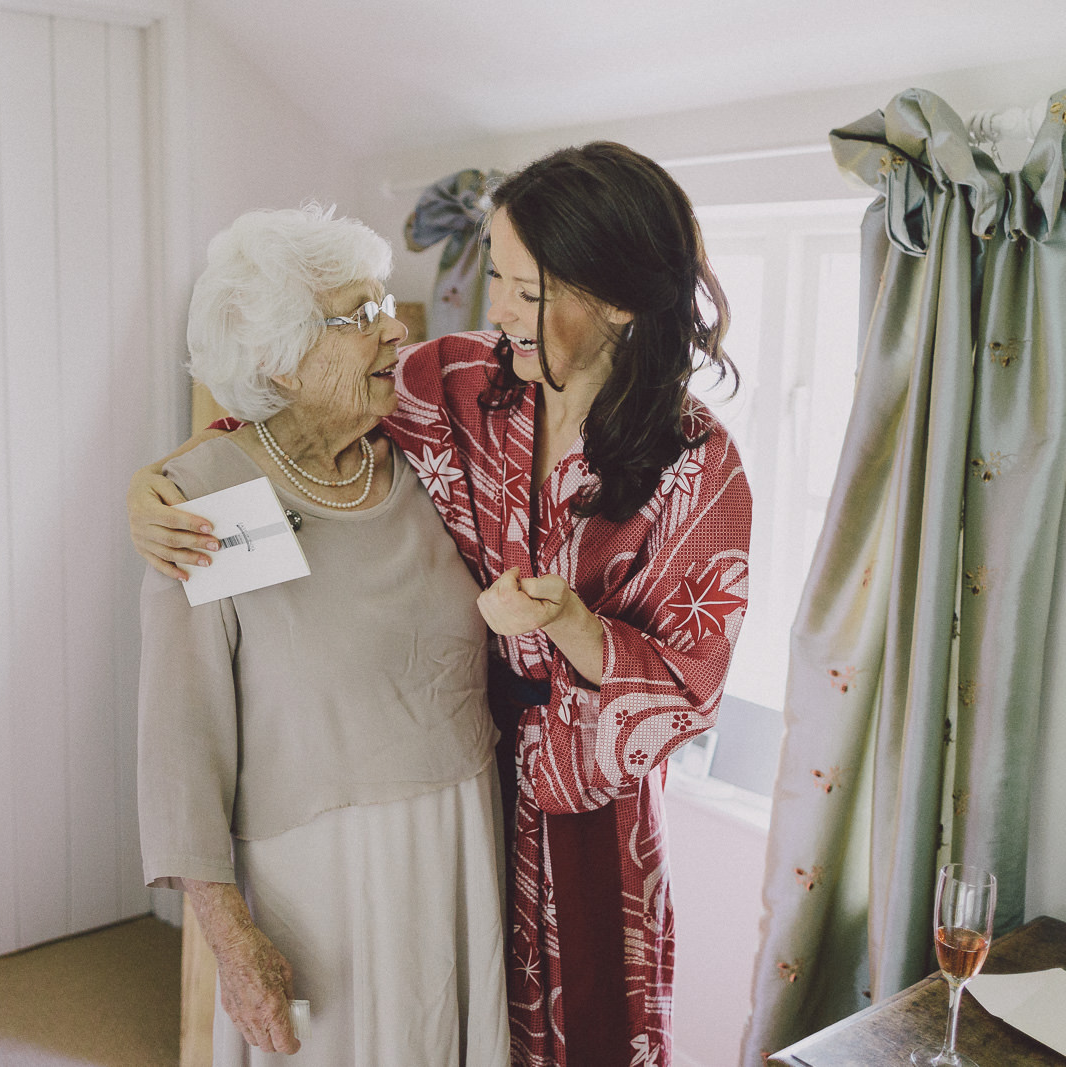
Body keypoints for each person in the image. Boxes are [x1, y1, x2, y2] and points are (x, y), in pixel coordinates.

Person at [131, 143, 752, 1067]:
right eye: (493, 277)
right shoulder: (463, 384)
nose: (494, 310)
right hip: (449, 799)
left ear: (615, 298)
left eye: (522, 287)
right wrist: (163, 484)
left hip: (585, 819)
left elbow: (691, 688)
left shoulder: (701, 465)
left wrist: (572, 625)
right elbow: (298, 408)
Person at [137, 204, 511, 1066]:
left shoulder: (427, 452)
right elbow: (179, 743)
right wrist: (231, 939)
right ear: (280, 355)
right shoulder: (218, 500)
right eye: (363, 315)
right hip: (322, 870)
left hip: (457, 837)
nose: (397, 332)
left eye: (387, 305)